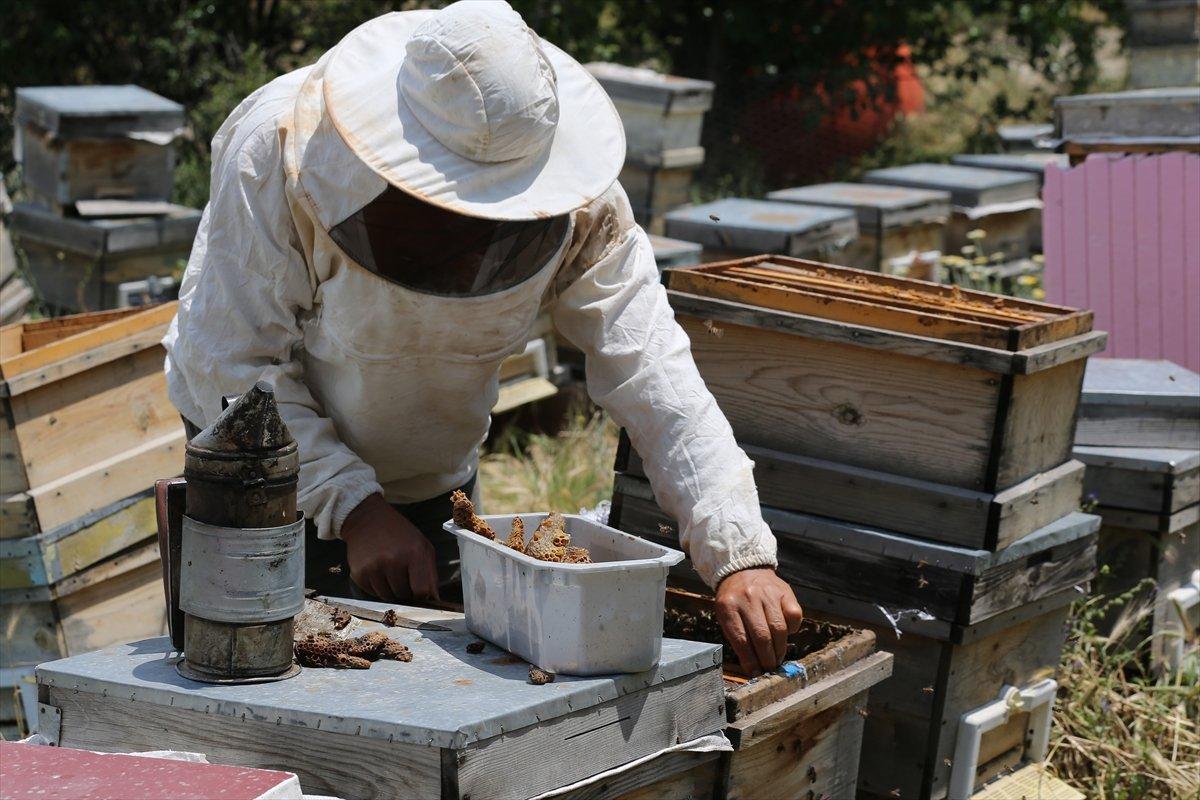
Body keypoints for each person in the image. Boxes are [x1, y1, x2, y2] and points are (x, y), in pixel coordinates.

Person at [164, 1, 802, 675]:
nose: (475, 239)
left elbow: (653, 369)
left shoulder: (583, 206)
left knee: (441, 708)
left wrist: (737, 552)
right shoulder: (280, 149)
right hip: (260, 485)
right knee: (257, 712)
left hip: (438, 486)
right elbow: (230, 367)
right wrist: (354, 507)